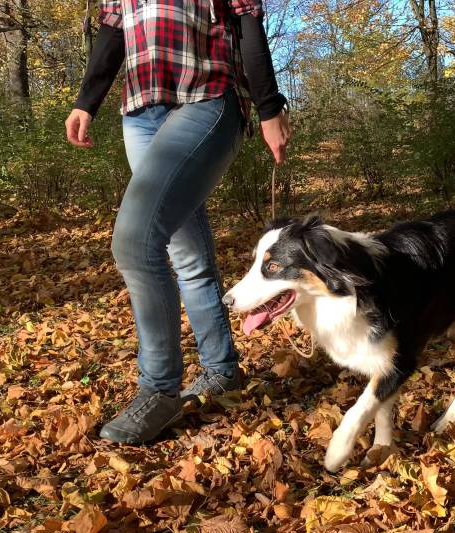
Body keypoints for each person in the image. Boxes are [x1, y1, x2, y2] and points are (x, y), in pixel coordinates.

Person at [65, 0, 291, 444]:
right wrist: (86, 102)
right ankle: (222, 370)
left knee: (134, 241)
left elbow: (248, 26)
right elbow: (112, 34)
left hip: (207, 98)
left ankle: (159, 390)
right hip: (140, 113)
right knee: (183, 250)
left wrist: (268, 107)